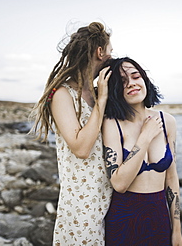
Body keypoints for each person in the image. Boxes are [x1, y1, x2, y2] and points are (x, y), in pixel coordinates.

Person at [29, 22, 113, 245]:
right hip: (81, 206)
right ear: (100, 52)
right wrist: (102, 100)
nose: (112, 57)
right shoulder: (63, 94)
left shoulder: (95, 94)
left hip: (109, 198)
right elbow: (81, 148)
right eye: (110, 51)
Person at [102, 57, 182, 246]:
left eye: (135, 76)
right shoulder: (112, 123)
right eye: (122, 82)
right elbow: (119, 183)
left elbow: (171, 178)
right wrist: (145, 137)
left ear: (144, 79)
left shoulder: (167, 122)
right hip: (123, 220)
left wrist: (177, 230)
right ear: (115, 89)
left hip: (159, 218)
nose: (131, 83)